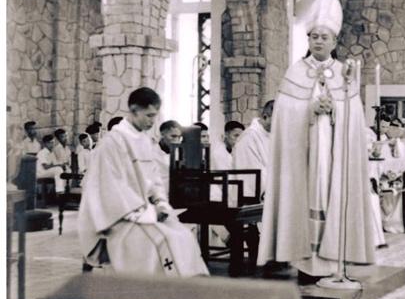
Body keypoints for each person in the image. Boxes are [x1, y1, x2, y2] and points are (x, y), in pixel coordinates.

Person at [259, 0, 376, 278]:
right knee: (307, 194)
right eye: (314, 37)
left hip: (333, 152)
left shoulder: (344, 74)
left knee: (330, 193)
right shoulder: (295, 72)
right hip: (304, 154)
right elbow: (284, 115)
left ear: (334, 41)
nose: (319, 41)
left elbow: (354, 117)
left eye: (324, 37)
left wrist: (335, 110)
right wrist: (310, 110)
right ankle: (305, 261)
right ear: (308, 40)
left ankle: (333, 257)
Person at [78, 87, 208, 277]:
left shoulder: (144, 141)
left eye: (155, 116)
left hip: (144, 211)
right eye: (149, 115)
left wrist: (161, 203)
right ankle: (157, 291)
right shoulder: (113, 142)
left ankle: (187, 289)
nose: (152, 121)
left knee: (185, 237)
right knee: (165, 241)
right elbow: (111, 188)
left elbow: (154, 179)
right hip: (119, 217)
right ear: (134, 110)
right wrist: (147, 212)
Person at [233, 101, 273, 198]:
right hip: (254, 199)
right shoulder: (248, 137)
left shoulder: (273, 135)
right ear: (265, 116)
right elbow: (252, 176)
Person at [155, 120, 182, 196]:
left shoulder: (180, 152)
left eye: (179, 137)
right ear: (162, 134)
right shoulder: (151, 151)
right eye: (173, 136)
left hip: (175, 194)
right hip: (158, 194)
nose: (177, 140)